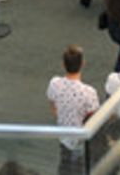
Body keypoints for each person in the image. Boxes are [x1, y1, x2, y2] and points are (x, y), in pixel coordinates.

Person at [48, 45, 100, 175]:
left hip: (63, 134)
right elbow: (94, 118)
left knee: (64, 162)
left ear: (63, 64)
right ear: (82, 63)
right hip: (80, 139)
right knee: (79, 167)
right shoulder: (89, 92)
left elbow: (53, 106)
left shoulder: (55, 84)